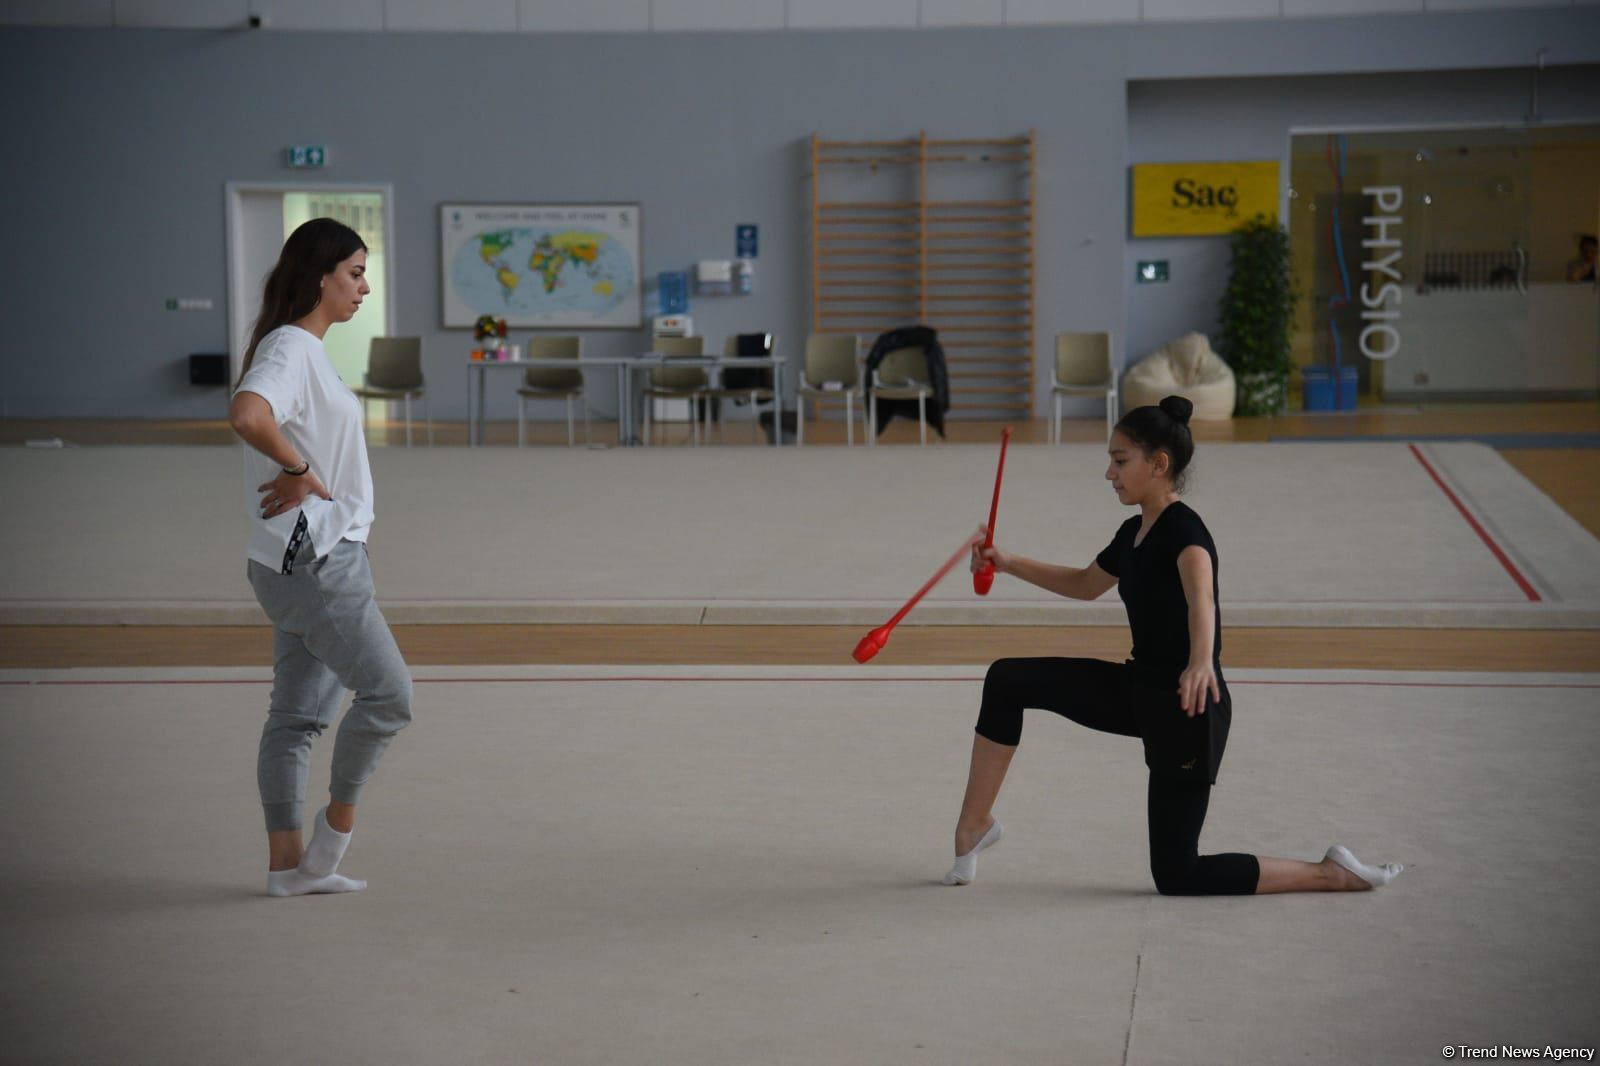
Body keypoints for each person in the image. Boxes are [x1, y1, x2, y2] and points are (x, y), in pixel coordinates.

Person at [943, 395, 1402, 895]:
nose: (1109, 473)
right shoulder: (1134, 532)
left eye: (1120, 461)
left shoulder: (1186, 532)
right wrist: (1006, 562)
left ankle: (1329, 872)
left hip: (1190, 708)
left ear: (1158, 464)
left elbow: (1200, 596)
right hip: (1140, 689)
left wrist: (1201, 661)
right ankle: (975, 825)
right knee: (1007, 680)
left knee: (1177, 873)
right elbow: (1083, 584)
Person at [229, 218, 413, 897]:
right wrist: (299, 467)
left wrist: (299, 467)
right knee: (390, 695)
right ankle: (330, 845)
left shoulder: (304, 350)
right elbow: (249, 414)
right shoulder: (289, 349)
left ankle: (288, 870)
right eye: (356, 273)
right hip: (316, 560)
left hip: (294, 557)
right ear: (320, 278)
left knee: (297, 719)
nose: (364, 286)